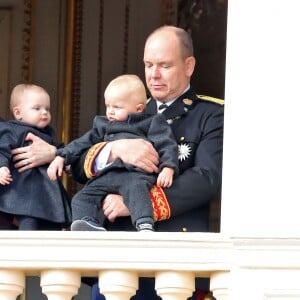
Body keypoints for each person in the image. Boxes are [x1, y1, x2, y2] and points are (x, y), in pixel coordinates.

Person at [71, 25, 224, 300]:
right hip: (115, 257)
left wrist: (133, 202)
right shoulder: (128, 108)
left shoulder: (211, 115)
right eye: (148, 65)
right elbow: (79, 164)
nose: (153, 75)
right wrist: (116, 148)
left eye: (164, 65)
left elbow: (205, 178)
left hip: (172, 260)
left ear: (188, 66)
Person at [47, 74, 179, 232]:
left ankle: (144, 223)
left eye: (117, 107)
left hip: (134, 175)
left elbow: (166, 144)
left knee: (137, 191)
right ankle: (87, 223)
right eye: (108, 106)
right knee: (81, 198)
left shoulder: (152, 121)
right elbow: (82, 142)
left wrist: (168, 167)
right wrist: (62, 156)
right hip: (106, 176)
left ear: (138, 109)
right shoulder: (103, 124)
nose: (110, 112)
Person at [0, 84, 71, 230]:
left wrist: (63, 158)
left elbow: (61, 150)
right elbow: (2, 149)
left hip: (46, 190)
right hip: (23, 189)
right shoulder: (11, 130)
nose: (44, 113)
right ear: (18, 113)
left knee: (50, 224)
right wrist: (2, 166)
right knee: (28, 218)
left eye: (47, 109)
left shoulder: (47, 133)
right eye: (37, 108)